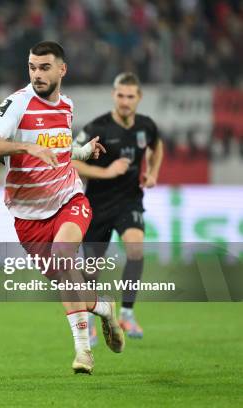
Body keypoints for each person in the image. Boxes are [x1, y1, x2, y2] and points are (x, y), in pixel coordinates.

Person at [0, 41, 123, 374]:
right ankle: (104, 307)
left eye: (44, 67)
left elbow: (59, 149)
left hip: (69, 199)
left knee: (63, 254)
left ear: (61, 70)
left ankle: (83, 352)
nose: (37, 74)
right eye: (32, 67)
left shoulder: (66, 105)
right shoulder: (17, 104)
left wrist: (81, 153)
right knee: (70, 284)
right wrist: (24, 146)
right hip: (28, 216)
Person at [73, 72, 163, 343]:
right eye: (121, 96)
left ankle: (127, 314)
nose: (125, 102)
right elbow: (73, 161)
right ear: (114, 95)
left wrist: (153, 172)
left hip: (129, 201)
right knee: (91, 268)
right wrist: (107, 172)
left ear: (139, 98)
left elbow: (157, 146)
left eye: (130, 96)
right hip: (97, 203)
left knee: (135, 248)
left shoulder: (146, 126)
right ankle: (89, 319)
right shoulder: (97, 128)